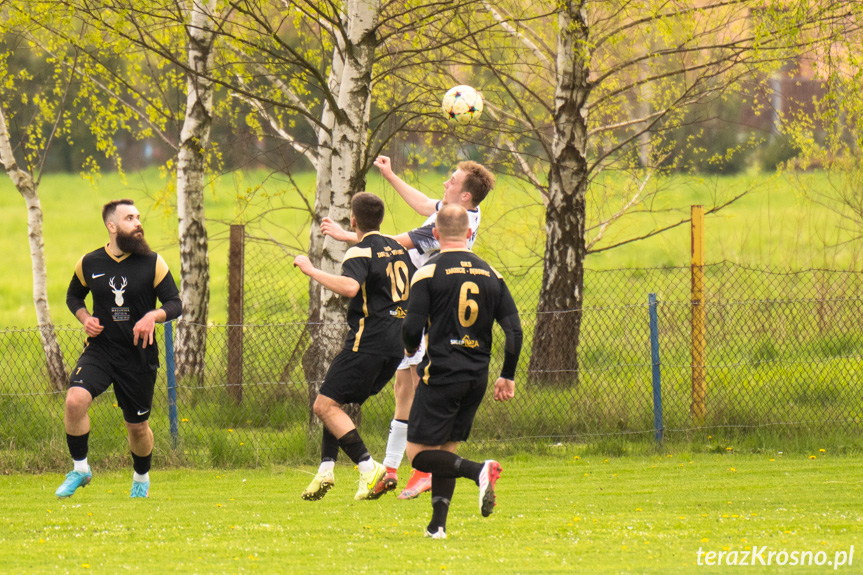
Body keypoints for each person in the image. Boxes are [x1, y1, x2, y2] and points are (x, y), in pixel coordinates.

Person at [321, 156, 495, 499]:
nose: (445, 183)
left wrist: (350, 236)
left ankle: (423, 467)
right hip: (414, 304)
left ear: (464, 197)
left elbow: (394, 244)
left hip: (427, 307)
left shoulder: (446, 227)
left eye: (452, 181)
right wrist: (389, 174)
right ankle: (394, 468)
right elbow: (421, 203)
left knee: (419, 384)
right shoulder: (454, 212)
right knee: (405, 386)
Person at [402, 204, 522, 539]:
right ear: (469, 233)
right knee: (445, 451)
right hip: (476, 377)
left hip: (440, 373)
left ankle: (478, 470)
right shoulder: (491, 274)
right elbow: (514, 330)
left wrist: (411, 349)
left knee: (420, 456)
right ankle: (437, 526)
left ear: (436, 234)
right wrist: (507, 374)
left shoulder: (427, 272)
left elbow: (412, 327)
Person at [57, 199, 182, 499]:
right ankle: (80, 469)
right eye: (129, 218)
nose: (138, 223)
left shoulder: (153, 262)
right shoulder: (89, 263)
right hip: (101, 351)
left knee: (137, 427)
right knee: (75, 401)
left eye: (138, 217)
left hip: (138, 354)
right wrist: (85, 318)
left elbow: (175, 304)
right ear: (112, 227)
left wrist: (153, 316)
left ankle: (141, 478)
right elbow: (73, 297)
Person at [295, 192, 415, 502]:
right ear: (381, 219)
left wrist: (310, 269)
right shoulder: (399, 249)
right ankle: (325, 469)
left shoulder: (358, 252)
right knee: (334, 400)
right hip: (395, 347)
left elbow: (350, 287)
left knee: (323, 406)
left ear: (353, 219)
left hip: (368, 342)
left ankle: (369, 468)